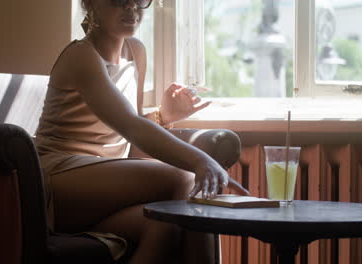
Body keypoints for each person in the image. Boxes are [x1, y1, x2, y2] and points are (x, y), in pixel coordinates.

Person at [34, 0, 249, 263]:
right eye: (119, 2)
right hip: (58, 183)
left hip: (105, 180)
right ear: (91, 5)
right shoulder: (81, 56)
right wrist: (201, 160)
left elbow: (127, 131)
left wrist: (163, 116)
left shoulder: (136, 51)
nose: (131, 9)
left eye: (138, 1)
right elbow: (130, 125)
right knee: (186, 179)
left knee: (166, 222)